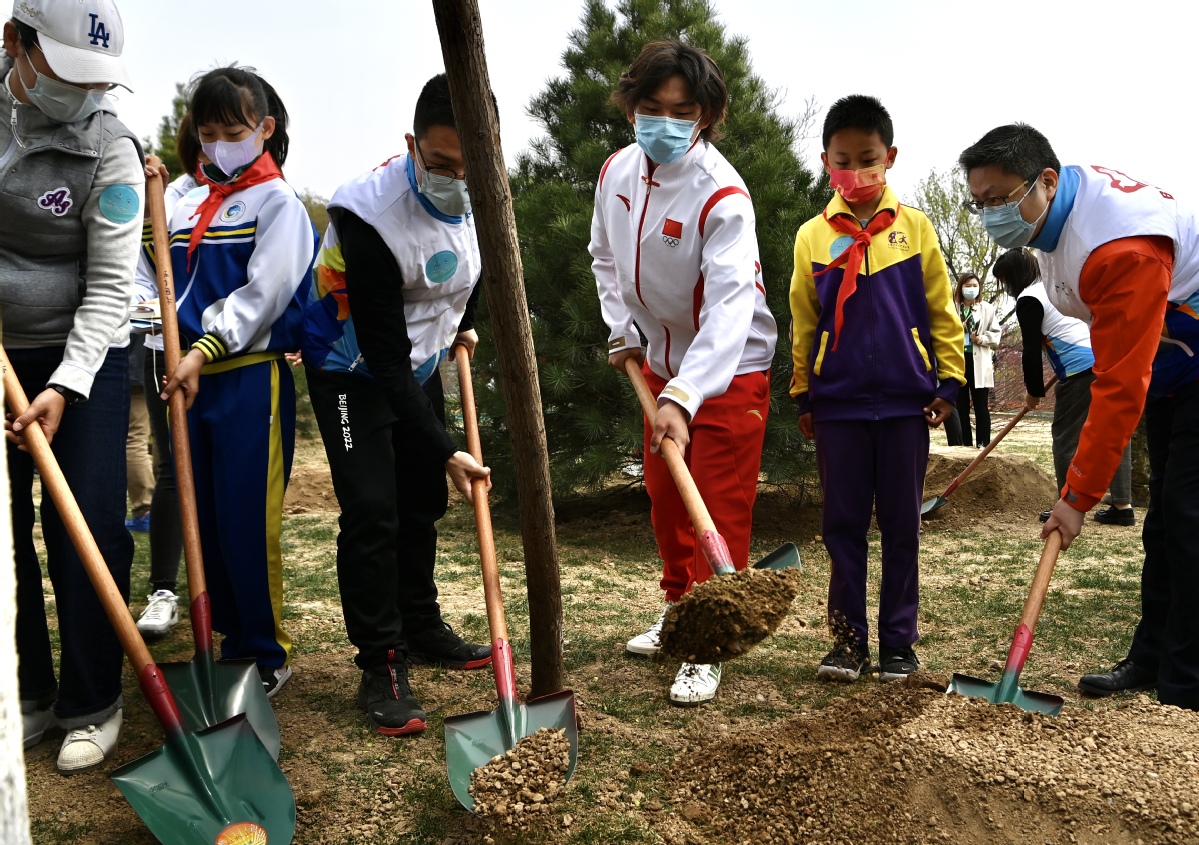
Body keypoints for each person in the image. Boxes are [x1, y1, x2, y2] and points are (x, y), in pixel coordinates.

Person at [959, 123, 1198, 709]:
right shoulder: (1056, 216)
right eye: (980, 203)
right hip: (1174, 366)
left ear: (1045, 180)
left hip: (1191, 363)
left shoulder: (1120, 246)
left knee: (1189, 516)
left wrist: (1077, 496)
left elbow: (1117, 386)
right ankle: (1153, 656)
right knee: (1165, 519)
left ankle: (1187, 679)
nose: (991, 215)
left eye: (1000, 199)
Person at [301, 73, 493, 737]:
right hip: (352, 366)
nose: (458, 178)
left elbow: (476, 265)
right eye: (441, 164)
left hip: (420, 358)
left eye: (472, 163)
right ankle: (380, 662)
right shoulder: (368, 216)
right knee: (374, 509)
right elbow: (381, 358)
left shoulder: (486, 188)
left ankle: (419, 622)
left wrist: (465, 320)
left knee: (421, 499)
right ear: (411, 145)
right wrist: (448, 449)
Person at [591, 40, 777, 707]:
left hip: (728, 372)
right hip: (660, 365)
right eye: (651, 107)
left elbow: (729, 310)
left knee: (715, 507)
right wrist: (620, 329)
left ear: (705, 116)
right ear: (630, 106)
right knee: (668, 503)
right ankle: (678, 617)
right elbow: (603, 258)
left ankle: (708, 644)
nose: (664, 122)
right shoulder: (614, 172)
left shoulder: (722, 194)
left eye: (682, 110)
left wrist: (686, 393)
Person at [143, 66, 317, 699]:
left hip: (245, 378)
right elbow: (155, 270)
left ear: (264, 128)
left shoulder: (279, 203)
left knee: (245, 516)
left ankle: (263, 652)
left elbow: (265, 294)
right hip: (183, 378)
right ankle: (220, 642)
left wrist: (206, 347)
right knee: (203, 517)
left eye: (233, 130)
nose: (218, 143)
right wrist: (153, 206)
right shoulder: (187, 198)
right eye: (207, 132)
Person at [2, 0, 142, 773]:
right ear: (13, 43)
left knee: (84, 524)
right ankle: (27, 691)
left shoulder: (109, 148)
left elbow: (111, 286)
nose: (81, 94)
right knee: (3, 538)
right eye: (66, 74)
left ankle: (93, 699)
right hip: (0, 349)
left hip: (82, 352)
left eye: (95, 80)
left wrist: (67, 381)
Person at [790, 95, 964, 683]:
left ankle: (898, 643)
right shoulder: (812, 236)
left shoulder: (914, 228)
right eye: (843, 160)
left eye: (868, 159)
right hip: (837, 404)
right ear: (825, 162)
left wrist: (950, 379)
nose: (856, 172)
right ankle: (845, 643)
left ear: (889, 158)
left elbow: (940, 309)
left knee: (901, 525)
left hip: (903, 403)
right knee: (841, 526)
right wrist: (803, 391)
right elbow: (803, 318)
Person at [993, 248, 1134, 526]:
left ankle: (1067, 503)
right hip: (1104, 359)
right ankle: (1122, 504)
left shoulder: (1028, 298)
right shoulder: (1054, 287)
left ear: (1014, 276)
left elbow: (1031, 350)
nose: (1005, 287)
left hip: (1080, 370)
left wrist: (1034, 391)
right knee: (1113, 430)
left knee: (1065, 435)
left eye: (1005, 280)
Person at [132, 114, 203, 637]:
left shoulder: (263, 196)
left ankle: (221, 589)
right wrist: (156, 310)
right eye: (207, 136)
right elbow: (136, 279)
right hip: (166, 352)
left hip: (226, 356)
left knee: (222, 474)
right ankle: (163, 590)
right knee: (174, 470)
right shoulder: (165, 198)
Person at [953, 272, 1001, 448]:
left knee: (981, 405)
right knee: (961, 405)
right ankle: (965, 444)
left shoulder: (986, 308)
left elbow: (996, 335)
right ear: (960, 288)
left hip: (979, 360)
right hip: (959, 361)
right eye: (968, 286)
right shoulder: (953, 307)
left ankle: (983, 443)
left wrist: (981, 339)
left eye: (974, 286)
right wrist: (959, 329)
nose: (971, 289)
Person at [124, 332, 154, 532]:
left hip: (137, 367)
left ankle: (146, 509)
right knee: (159, 440)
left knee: (134, 439)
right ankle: (155, 509)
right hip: (156, 364)